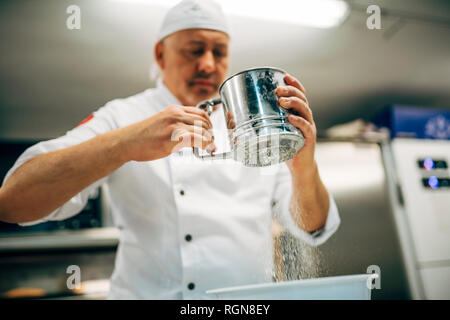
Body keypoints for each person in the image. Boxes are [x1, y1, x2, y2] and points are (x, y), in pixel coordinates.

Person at [0, 0, 340, 299]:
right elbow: (13, 202)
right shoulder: (124, 115)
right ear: (161, 55)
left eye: (219, 52)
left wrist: (303, 165)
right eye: (194, 50)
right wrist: (125, 143)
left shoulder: (252, 123)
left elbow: (311, 227)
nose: (208, 64)